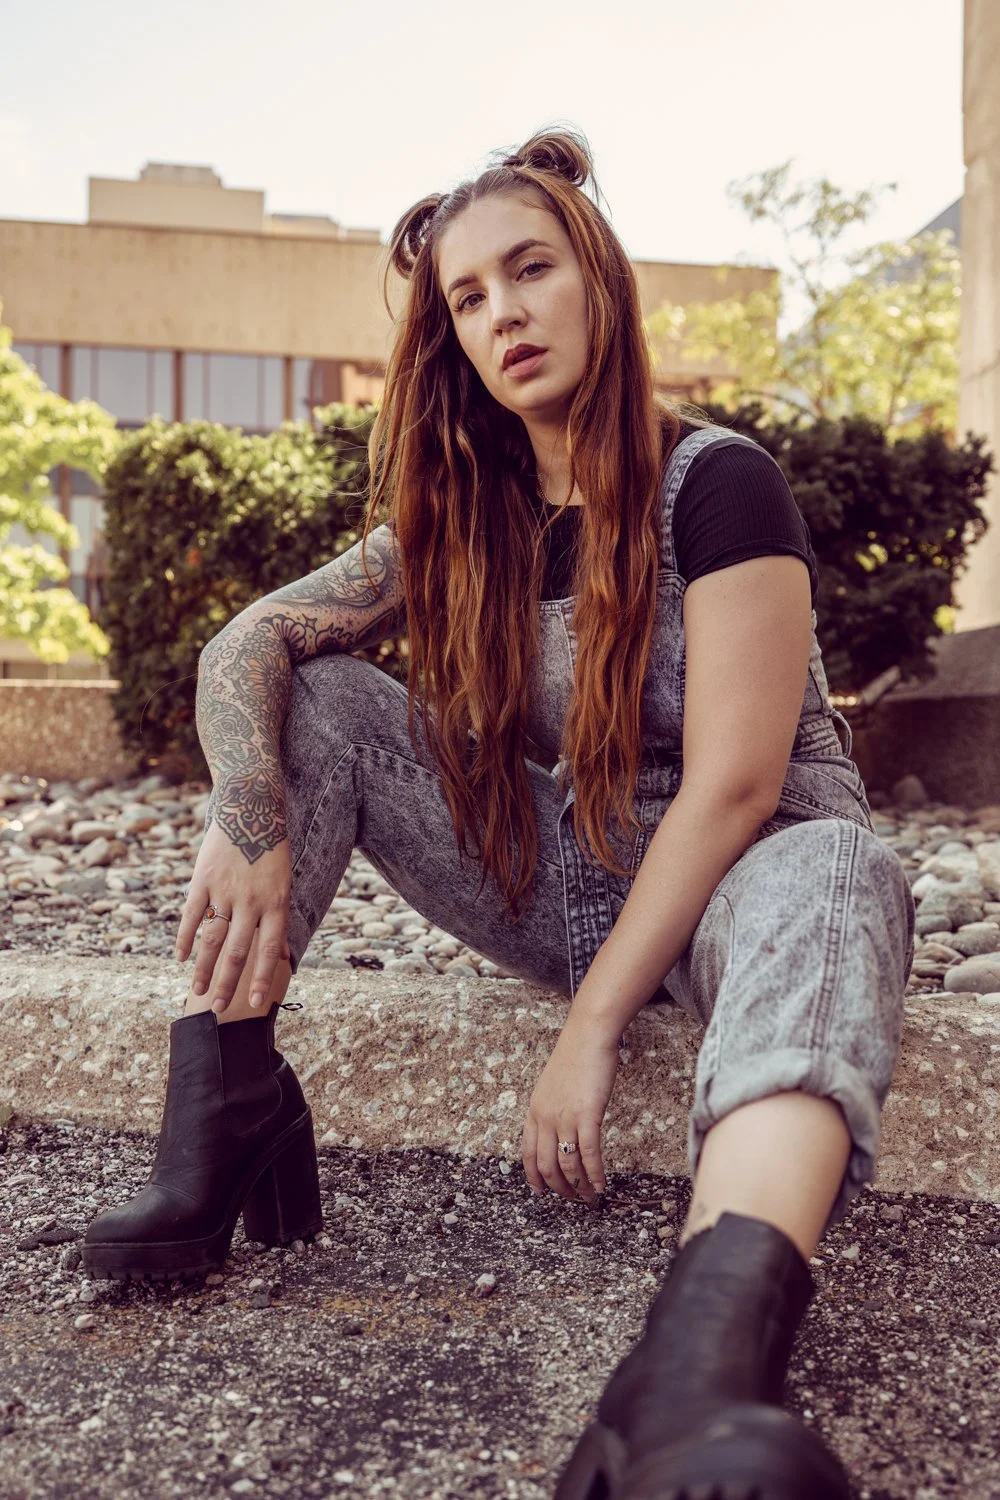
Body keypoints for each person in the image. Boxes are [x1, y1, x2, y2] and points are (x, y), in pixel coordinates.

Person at [82, 127, 915, 1500]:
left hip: (749, 888)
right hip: (564, 887)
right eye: (468, 298)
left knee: (840, 867)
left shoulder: (721, 484)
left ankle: (693, 1382)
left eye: (529, 271)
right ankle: (225, 1103)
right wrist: (249, 810)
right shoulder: (465, 519)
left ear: (596, 278)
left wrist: (587, 1036)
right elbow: (247, 644)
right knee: (321, 697)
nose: (502, 313)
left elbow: (738, 785)